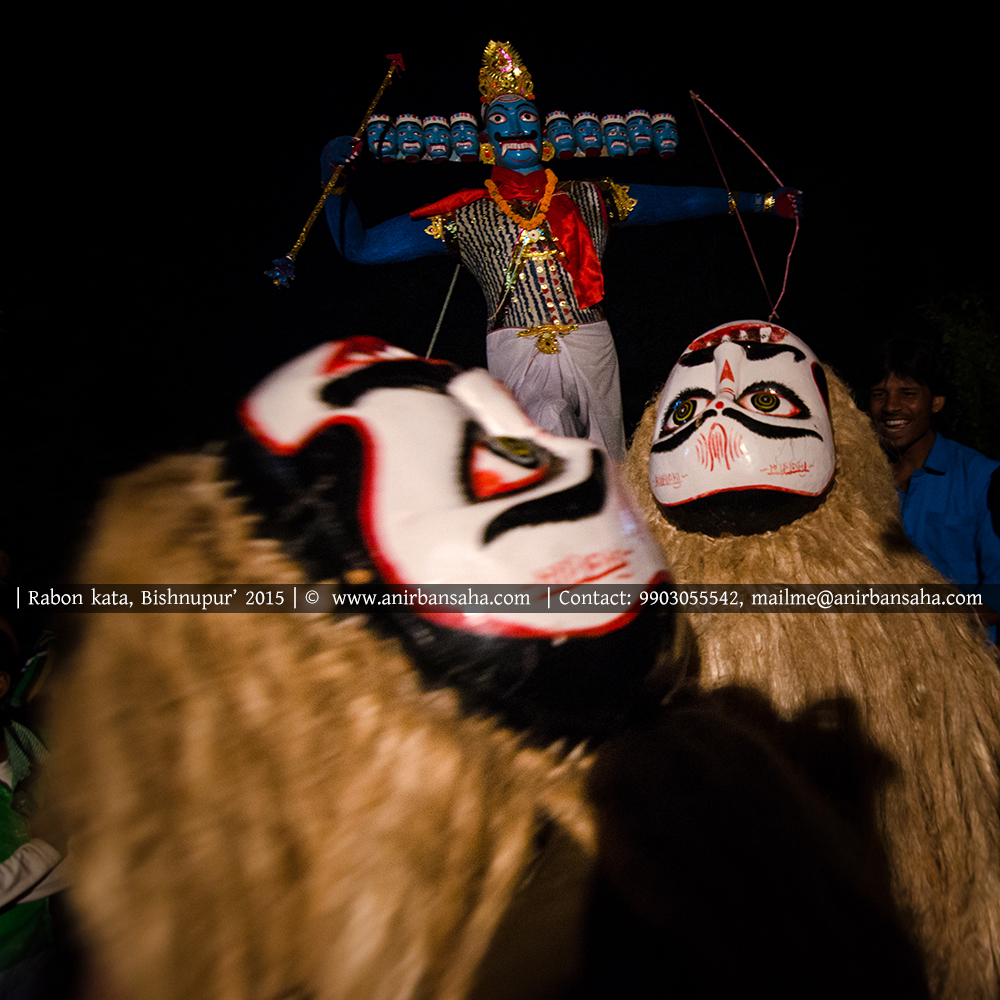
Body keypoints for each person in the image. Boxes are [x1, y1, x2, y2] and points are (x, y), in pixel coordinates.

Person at [321, 41, 800, 462]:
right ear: (485, 143)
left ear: (546, 136)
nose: (515, 126)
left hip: (591, 339)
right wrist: (334, 175)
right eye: (500, 120)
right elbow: (359, 247)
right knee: (541, 450)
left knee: (607, 456)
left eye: (527, 116)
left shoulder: (589, 196)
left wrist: (758, 201)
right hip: (516, 343)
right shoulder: (463, 215)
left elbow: (679, 201)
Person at [869, 338, 1000, 639]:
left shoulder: (984, 478)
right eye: (879, 394)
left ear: (936, 401)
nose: (890, 406)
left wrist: (934, 639)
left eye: (908, 394)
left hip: (964, 673)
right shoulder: (860, 482)